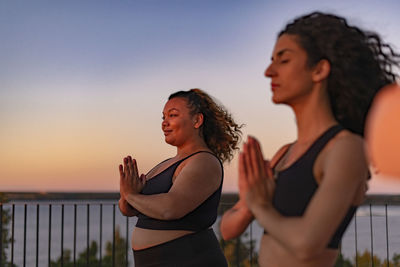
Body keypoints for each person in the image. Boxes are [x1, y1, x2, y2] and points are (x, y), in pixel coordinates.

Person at [220, 12, 400, 267]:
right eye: (271, 61)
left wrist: (261, 207)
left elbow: (307, 244)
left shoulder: (346, 148)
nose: (268, 71)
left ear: (319, 70)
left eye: (283, 60)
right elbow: (228, 229)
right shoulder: (286, 153)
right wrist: (251, 201)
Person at [119, 88, 242, 267]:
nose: (164, 123)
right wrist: (127, 196)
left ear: (197, 120)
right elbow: (128, 208)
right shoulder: (166, 164)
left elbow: (170, 208)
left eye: (173, 115)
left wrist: (130, 196)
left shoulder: (204, 161)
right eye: (163, 117)